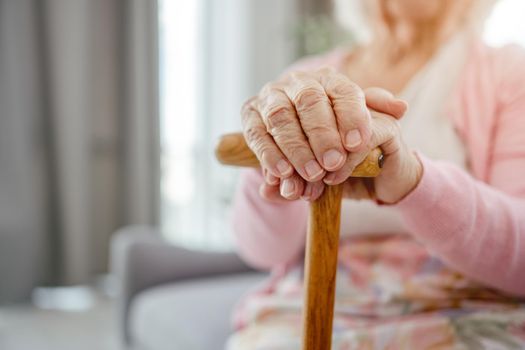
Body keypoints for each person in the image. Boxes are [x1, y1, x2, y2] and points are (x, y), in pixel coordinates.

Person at [227, 0, 525, 348]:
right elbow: (262, 251)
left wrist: (414, 182)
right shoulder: (303, 80)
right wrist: (273, 167)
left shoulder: (509, 74)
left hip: (468, 309)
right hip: (307, 308)